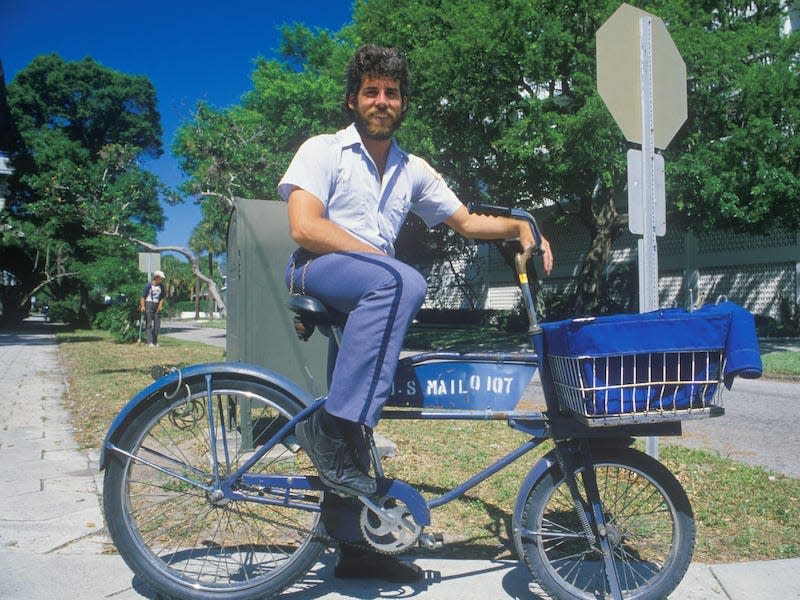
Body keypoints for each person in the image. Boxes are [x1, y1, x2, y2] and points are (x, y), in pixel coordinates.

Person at [278, 44, 553, 581]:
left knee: (366, 370)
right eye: (371, 91)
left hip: (368, 290)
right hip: (318, 268)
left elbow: (468, 223)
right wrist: (379, 258)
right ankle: (330, 431)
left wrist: (523, 226)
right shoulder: (324, 150)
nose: (382, 100)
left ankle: (358, 547)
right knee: (403, 279)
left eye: (392, 93)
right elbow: (305, 227)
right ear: (354, 99)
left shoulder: (412, 170)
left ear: (403, 103)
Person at [140, 270, 166, 347]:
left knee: (157, 325)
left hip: (157, 304)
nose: (162, 280)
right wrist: (142, 306)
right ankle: (150, 342)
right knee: (149, 323)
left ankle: (155, 341)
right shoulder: (148, 285)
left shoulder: (161, 287)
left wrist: (160, 305)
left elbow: (162, 298)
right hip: (149, 304)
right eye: (161, 278)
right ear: (156, 277)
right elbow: (143, 297)